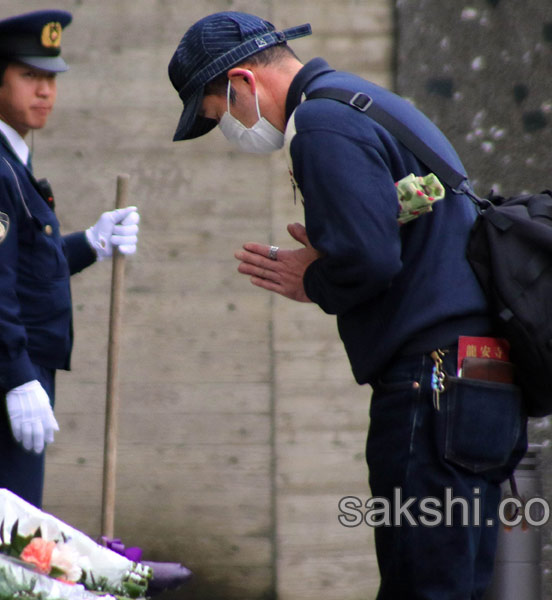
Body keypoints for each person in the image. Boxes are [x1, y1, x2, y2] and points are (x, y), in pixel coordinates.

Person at [168, 12, 527, 600]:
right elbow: (417, 206)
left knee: (422, 584)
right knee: (460, 581)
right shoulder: (366, 104)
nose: (232, 129)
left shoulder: (321, 125)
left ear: (242, 82)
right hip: (478, 373)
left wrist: (316, 280)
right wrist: (341, 242)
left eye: (222, 112)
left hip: (430, 379)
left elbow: (370, 260)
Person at [0, 9, 140, 509]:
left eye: (50, 78)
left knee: (11, 531)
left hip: (5, 369)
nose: (45, 91)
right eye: (30, 76)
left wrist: (92, 244)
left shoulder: (2, 158)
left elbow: (15, 265)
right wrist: (17, 376)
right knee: (4, 541)